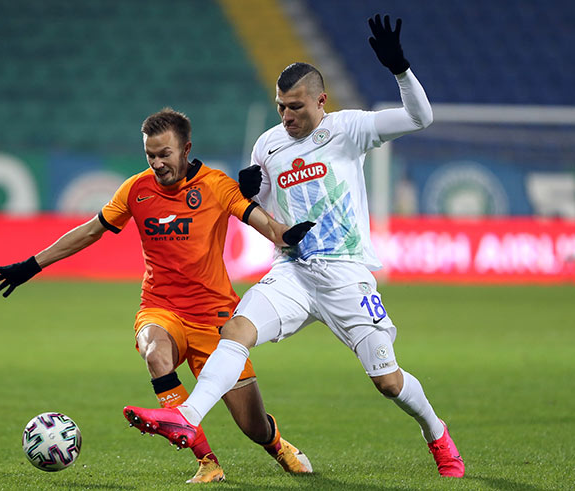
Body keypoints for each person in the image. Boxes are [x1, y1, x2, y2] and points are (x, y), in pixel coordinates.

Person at [123, 15, 465, 478]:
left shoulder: (350, 129)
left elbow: (421, 118)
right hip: (293, 273)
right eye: (281, 107)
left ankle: (436, 433)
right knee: (235, 331)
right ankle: (186, 417)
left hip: (346, 275)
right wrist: (251, 190)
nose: (286, 117)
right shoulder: (268, 144)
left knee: (387, 381)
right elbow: (265, 211)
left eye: (296, 107)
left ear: (321, 101)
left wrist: (400, 70)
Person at [0, 108, 314, 483]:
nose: (157, 163)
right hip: (160, 309)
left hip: (215, 320)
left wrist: (283, 234)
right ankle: (207, 462)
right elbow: (91, 230)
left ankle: (277, 445)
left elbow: (258, 219)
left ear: (186, 149)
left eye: (164, 154)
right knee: (155, 352)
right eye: (150, 155)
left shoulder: (215, 185)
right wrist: (31, 265)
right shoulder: (136, 189)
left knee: (253, 425)